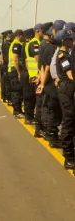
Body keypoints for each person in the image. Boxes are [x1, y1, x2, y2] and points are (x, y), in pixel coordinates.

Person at [54, 27, 75, 171]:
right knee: (68, 121)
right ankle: (68, 157)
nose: (72, 41)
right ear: (64, 41)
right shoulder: (63, 56)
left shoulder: (64, 54)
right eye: (70, 39)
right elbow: (70, 76)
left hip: (66, 89)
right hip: (67, 90)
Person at [22, 27, 41, 124]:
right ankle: (29, 117)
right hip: (31, 73)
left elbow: (26, 60)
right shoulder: (33, 43)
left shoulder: (26, 44)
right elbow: (37, 58)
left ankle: (29, 116)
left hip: (28, 73)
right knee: (30, 97)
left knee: (30, 97)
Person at [8, 30, 26, 118]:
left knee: (16, 91)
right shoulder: (17, 44)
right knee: (17, 91)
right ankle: (17, 111)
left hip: (13, 70)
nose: (24, 37)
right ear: (19, 36)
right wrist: (19, 72)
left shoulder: (14, 43)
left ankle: (18, 110)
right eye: (22, 36)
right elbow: (15, 59)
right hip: (15, 70)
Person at [0, 30, 13, 103]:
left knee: (6, 82)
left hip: (5, 64)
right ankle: (8, 97)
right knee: (7, 82)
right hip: (6, 65)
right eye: (9, 36)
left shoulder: (6, 43)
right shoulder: (6, 44)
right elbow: (7, 56)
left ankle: (6, 97)